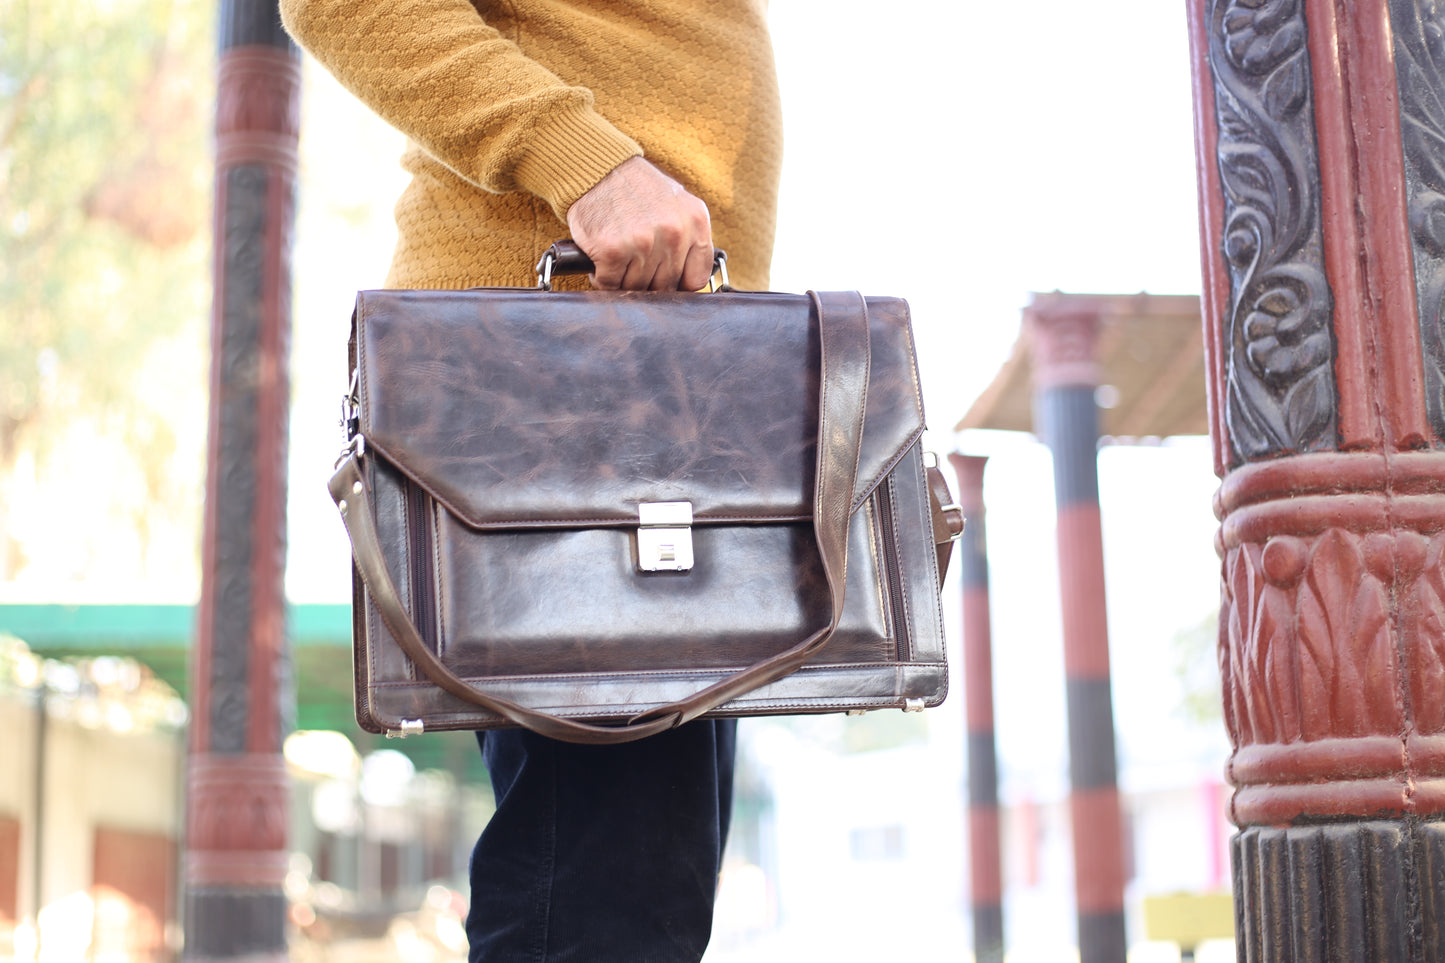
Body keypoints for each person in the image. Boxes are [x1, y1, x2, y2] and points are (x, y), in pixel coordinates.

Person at [277, 1, 783, 959]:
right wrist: (585, 164)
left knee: (645, 887)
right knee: (602, 901)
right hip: (562, 388)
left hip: (660, 392)